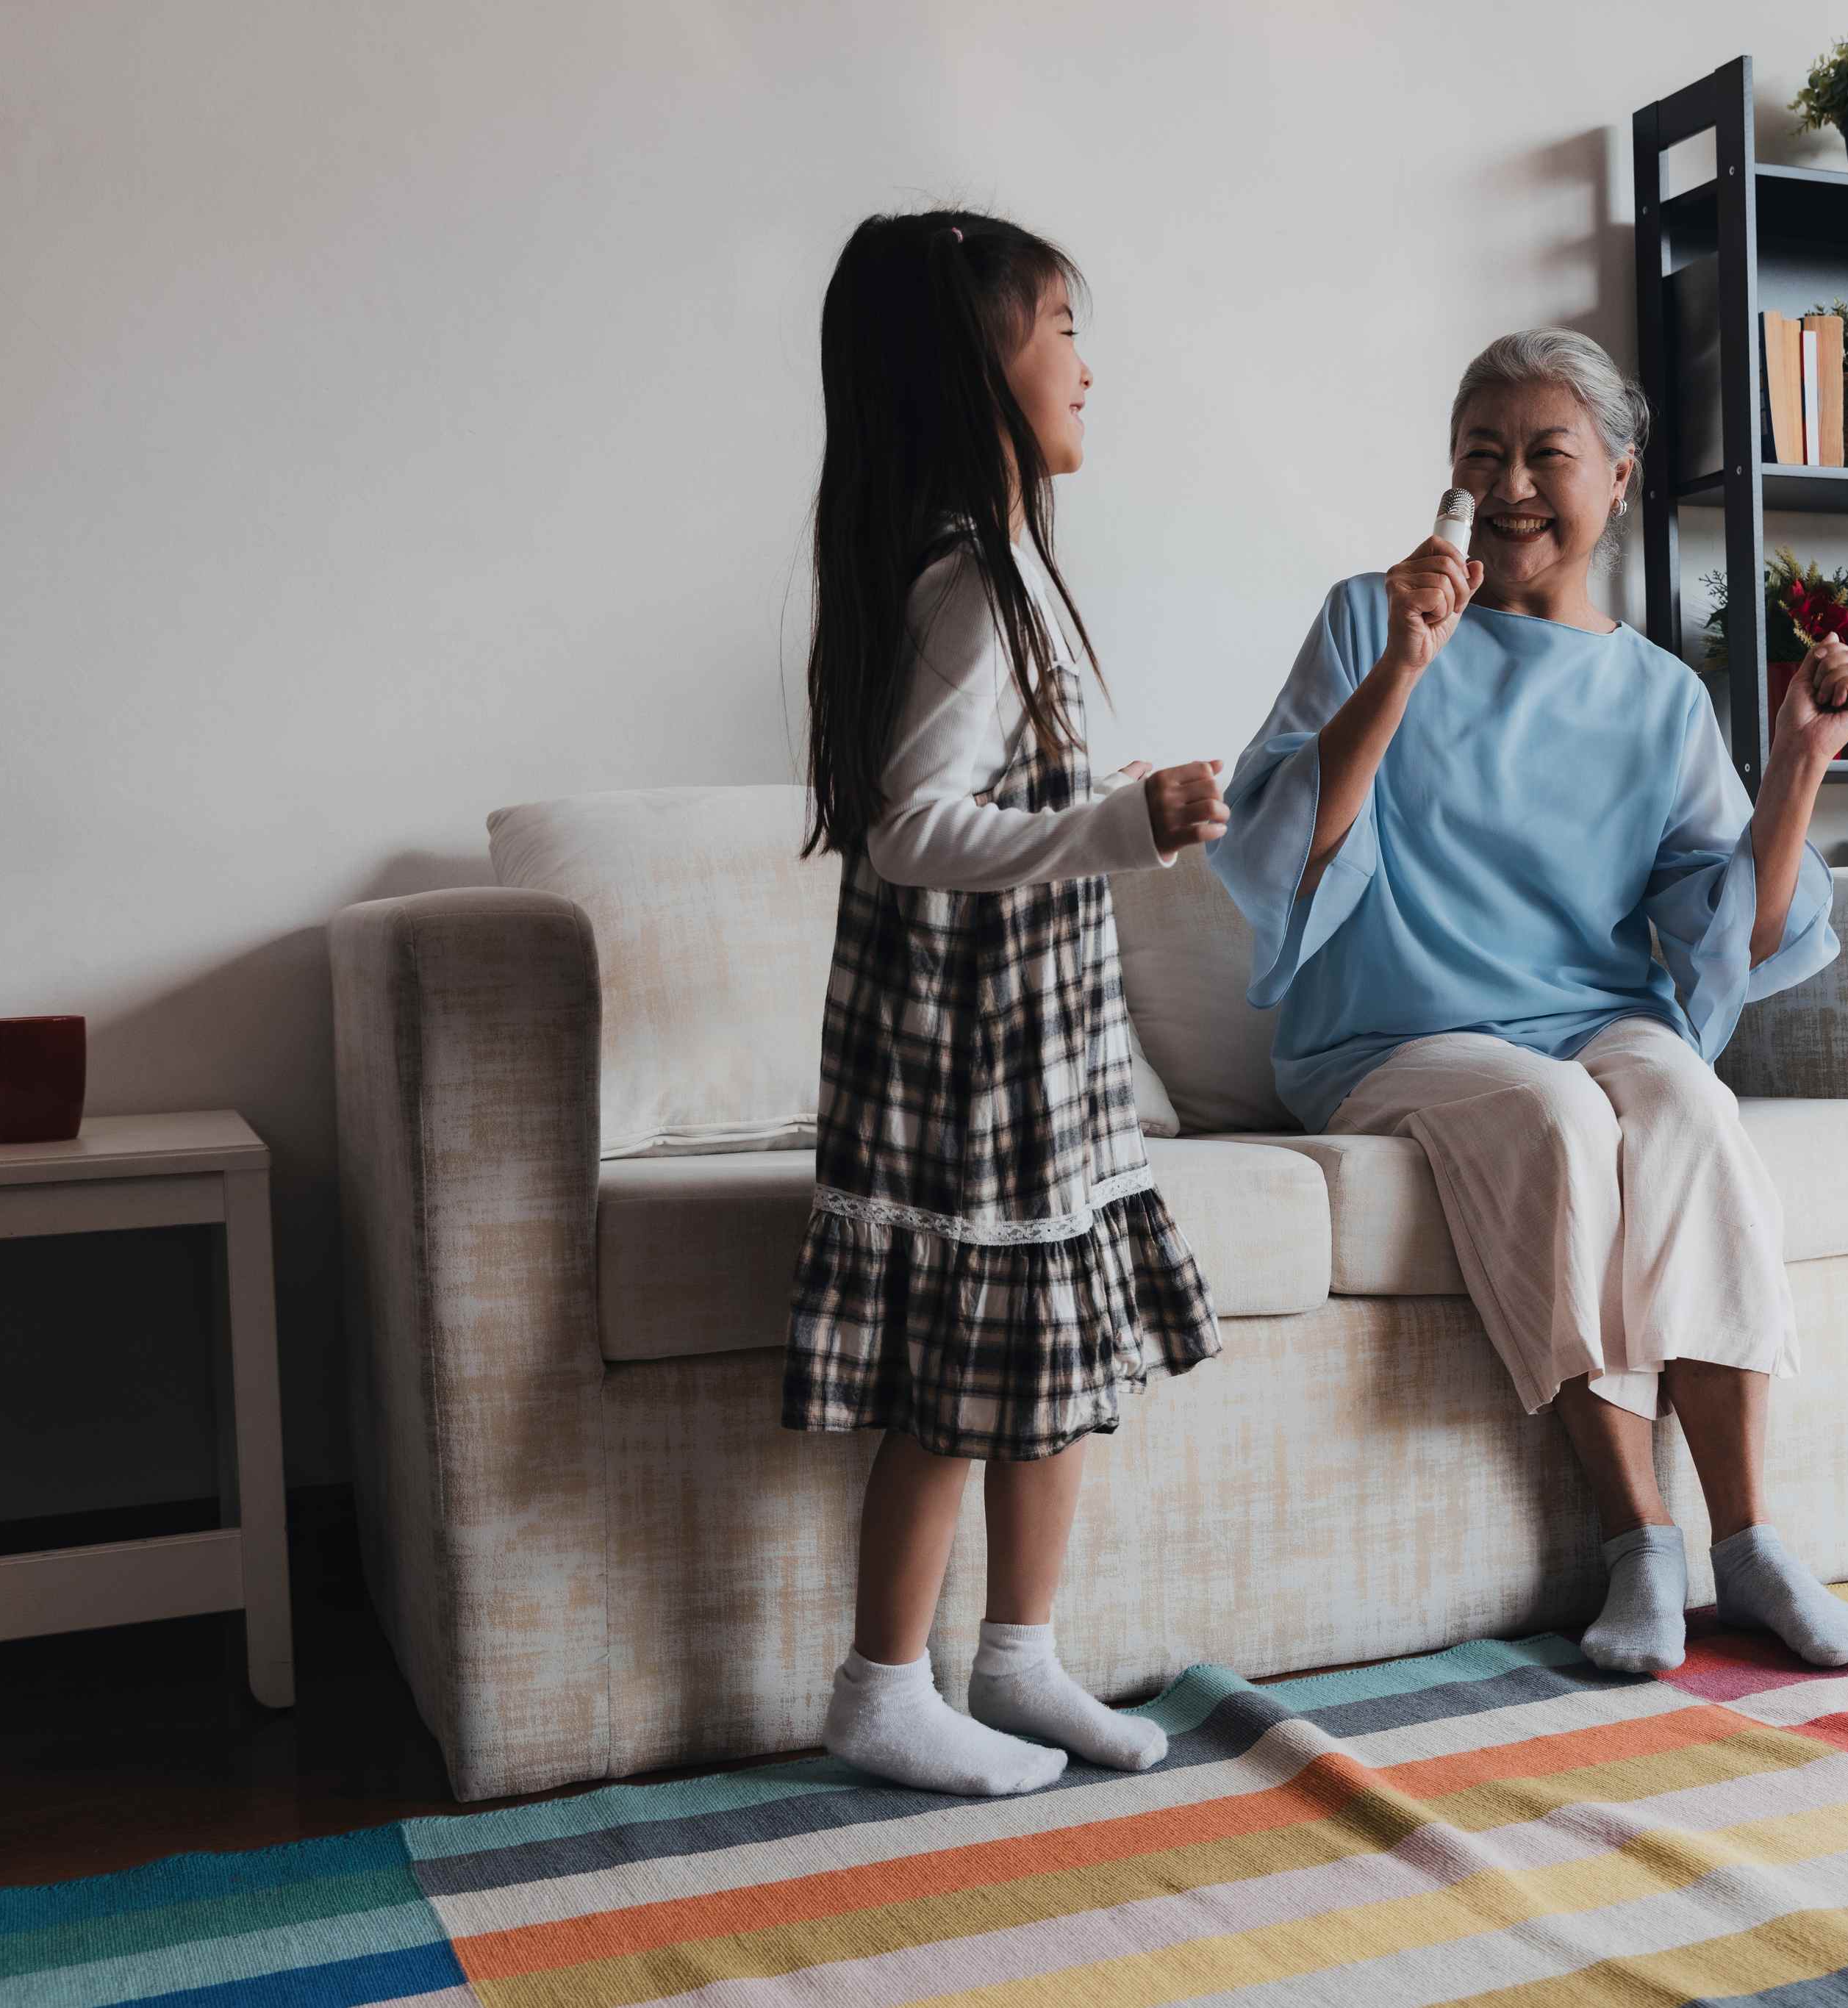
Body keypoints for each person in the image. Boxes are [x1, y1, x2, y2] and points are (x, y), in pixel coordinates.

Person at [1208, 328, 1848, 1677]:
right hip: (1392, 1030)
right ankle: (1642, 1541)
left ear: (1618, 480)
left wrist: (1798, 769)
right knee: (1559, 1118)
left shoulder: (1660, 695)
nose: (1512, 483)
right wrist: (1403, 663)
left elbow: (1725, 941)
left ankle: (1748, 1543)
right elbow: (1292, 845)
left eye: (1546, 454)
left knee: (1686, 1101)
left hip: (1588, 1012)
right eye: (1482, 453)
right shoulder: (1367, 613)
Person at [786, 209, 1227, 1796]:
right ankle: (880, 1684)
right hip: (970, 1059)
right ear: (981, 361)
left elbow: (999, 796)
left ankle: (1018, 1657)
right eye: (1060, 328)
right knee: (959, 1376)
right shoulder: (974, 578)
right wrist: (1116, 823)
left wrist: (1110, 798)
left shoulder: (1012, 568)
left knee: (1048, 1356)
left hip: (1040, 1045)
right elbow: (911, 828)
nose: (1087, 366)